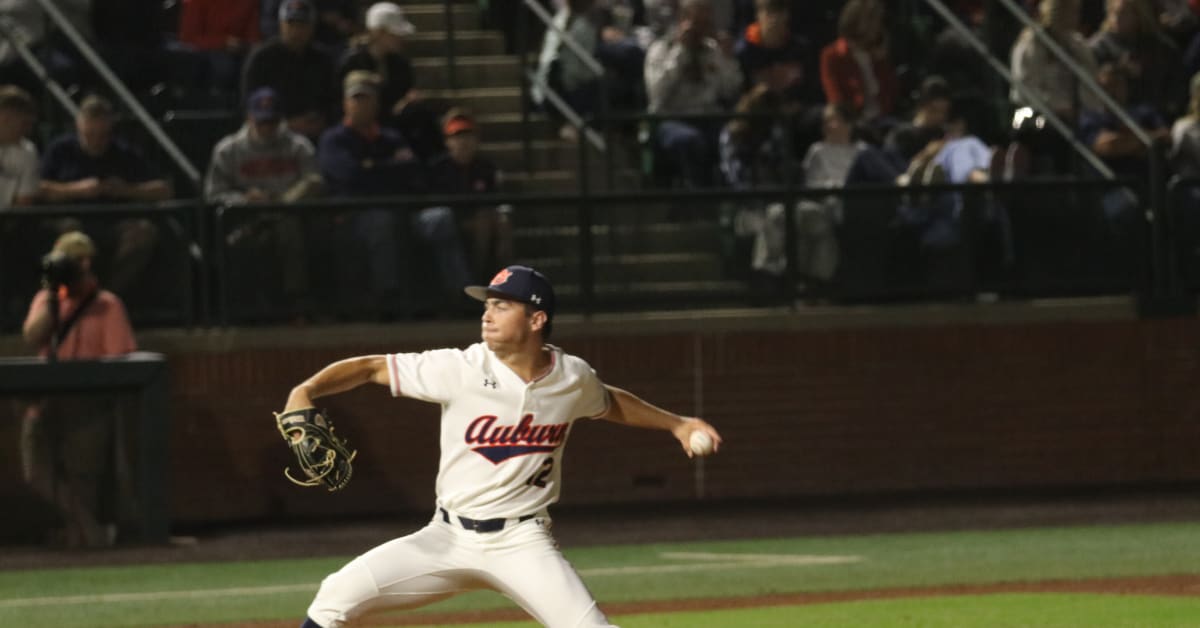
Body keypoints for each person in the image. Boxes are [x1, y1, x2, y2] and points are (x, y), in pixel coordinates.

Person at [282, 264, 723, 628]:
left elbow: (609, 403)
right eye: (487, 304)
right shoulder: (459, 367)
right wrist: (306, 390)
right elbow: (371, 368)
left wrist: (678, 424)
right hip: (445, 537)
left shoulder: (572, 377)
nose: (487, 315)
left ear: (536, 320)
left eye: (501, 305)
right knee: (335, 597)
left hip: (521, 541)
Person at [317, 71, 469, 317]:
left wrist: (372, 168)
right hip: (355, 217)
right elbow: (350, 177)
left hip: (403, 209)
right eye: (356, 99)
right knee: (381, 221)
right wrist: (386, 169)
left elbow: (412, 173)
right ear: (345, 103)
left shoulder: (390, 137)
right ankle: (390, 299)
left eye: (367, 98)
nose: (362, 104)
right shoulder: (334, 140)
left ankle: (459, 294)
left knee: (440, 218)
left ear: (377, 103)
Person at [20, 231, 137, 548]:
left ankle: (84, 541)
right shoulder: (47, 301)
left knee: (82, 478)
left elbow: (119, 363)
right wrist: (52, 297)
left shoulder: (107, 305)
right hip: (45, 403)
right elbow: (32, 336)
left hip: (87, 408)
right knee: (36, 472)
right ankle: (89, 530)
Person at [205, 87, 323, 320]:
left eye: (272, 121)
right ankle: (246, 310)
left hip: (289, 215)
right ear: (249, 118)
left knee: (290, 229)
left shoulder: (297, 146)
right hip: (245, 218)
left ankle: (295, 304)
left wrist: (282, 201)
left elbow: (315, 181)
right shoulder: (228, 150)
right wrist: (243, 199)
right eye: (262, 122)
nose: (267, 128)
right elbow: (213, 193)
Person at [38, 95, 170, 302]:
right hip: (72, 220)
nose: (97, 142)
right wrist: (77, 190)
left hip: (115, 222)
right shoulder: (60, 150)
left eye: (103, 135)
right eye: (89, 134)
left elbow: (162, 189)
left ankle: (105, 298)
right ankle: (72, 299)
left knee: (143, 233)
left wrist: (126, 190)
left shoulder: (123, 152)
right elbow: (39, 188)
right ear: (78, 126)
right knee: (71, 234)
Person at [644, 0, 744, 188]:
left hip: (709, 117)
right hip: (672, 119)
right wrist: (680, 53)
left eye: (706, 23)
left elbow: (730, 89)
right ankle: (700, 201)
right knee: (691, 141)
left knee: (734, 137)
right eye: (697, 23)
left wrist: (728, 59)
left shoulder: (713, 50)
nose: (701, 30)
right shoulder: (661, 50)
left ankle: (736, 198)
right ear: (683, 20)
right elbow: (657, 95)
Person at [337, 2, 443, 161]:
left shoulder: (400, 64)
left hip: (394, 122)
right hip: (364, 123)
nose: (400, 38)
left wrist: (407, 101)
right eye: (394, 34)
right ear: (378, 33)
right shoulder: (352, 62)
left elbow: (404, 93)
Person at [242, 0, 338, 140]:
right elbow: (248, 106)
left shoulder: (323, 60)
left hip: (316, 133)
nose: (296, 31)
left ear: (312, 27)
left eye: (302, 25)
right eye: (291, 24)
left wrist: (320, 122)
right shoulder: (261, 58)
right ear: (281, 25)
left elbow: (333, 103)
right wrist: (286, 125)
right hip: (270, 131)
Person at [818, 0, 898, 129]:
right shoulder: (832, 55)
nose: (876, 26)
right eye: (871, 20)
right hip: (854, 123)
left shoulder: (877, 54)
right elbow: (835, 98)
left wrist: (881, 62)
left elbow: (890, 93)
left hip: (883, 119)